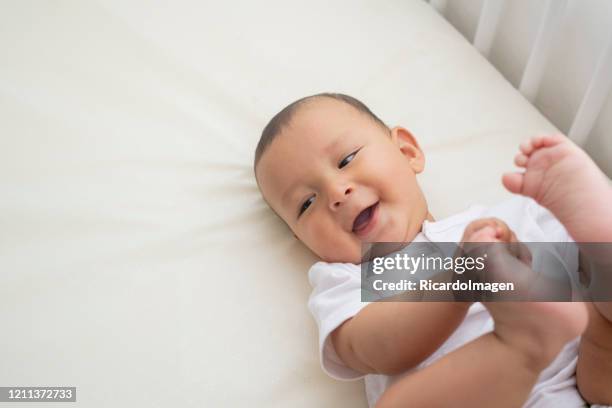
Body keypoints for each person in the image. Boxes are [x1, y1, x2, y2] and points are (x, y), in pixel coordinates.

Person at [253, 93, 612, 407]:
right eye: (306, 203)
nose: (336, 193)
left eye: (346, 160)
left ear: (407, 151)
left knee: (595, 284)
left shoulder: (509, 217)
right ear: (304, 241)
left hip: (590, 374)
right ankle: (521, 344)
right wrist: (461, 278)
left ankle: (600, 240)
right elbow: (377, 347)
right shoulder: (348, 279)